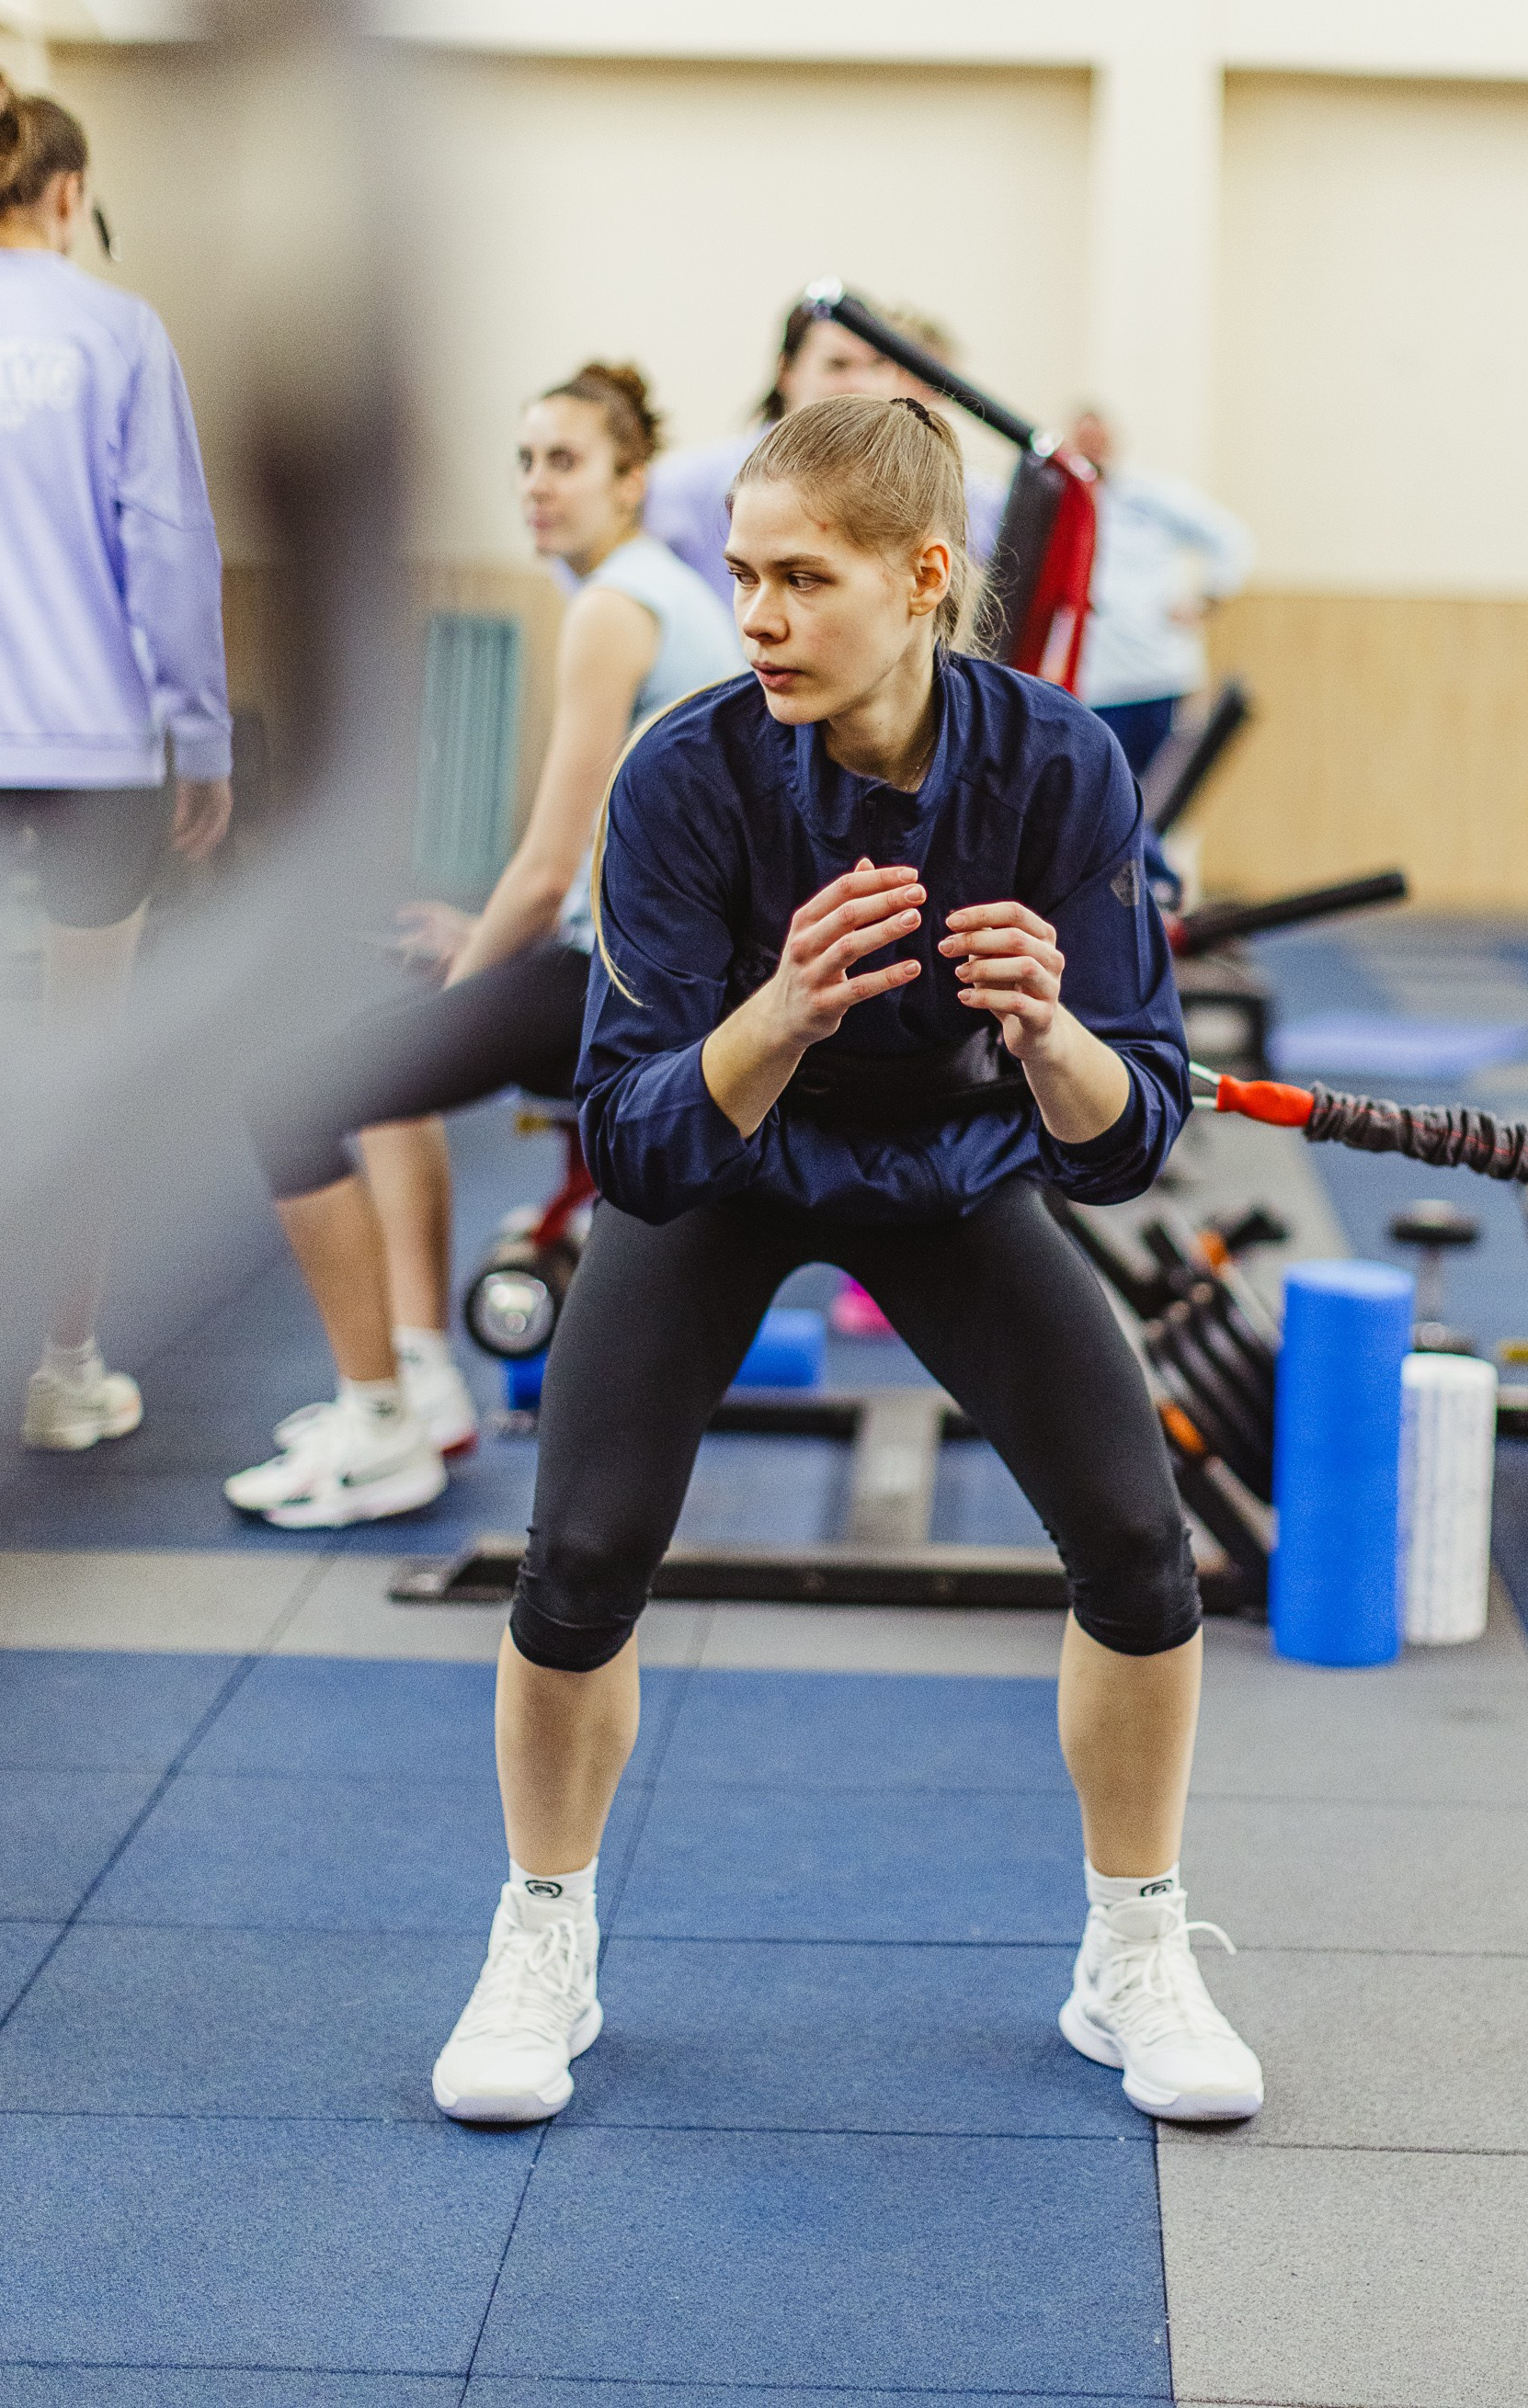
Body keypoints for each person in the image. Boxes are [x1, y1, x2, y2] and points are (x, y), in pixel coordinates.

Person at [430, 393, 1262, 2131]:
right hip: (722, 1173)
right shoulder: (683, 774)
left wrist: (1048, 1035)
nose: (756, 617)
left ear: (924, 578)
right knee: (578, 1557)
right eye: (743, 575)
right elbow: (631, 1140)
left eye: (802, 579)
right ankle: (542, 1937)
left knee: (1137, 1543)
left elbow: (1126, 1136)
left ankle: (1132, 1950)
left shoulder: (1059, 767)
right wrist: (785, 1011)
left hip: (949, 1179)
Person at [227, 364, 742, 1528]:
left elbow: (550, 868)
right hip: (646, 965)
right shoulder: (660, 592)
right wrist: (469, 961)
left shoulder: (616, 608)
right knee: (388, 1054)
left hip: (623, 989)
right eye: (524, 461)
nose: (536, 486)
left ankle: (379, 1425)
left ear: (631, 480)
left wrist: (461, 995)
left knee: (287, 1096)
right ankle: (420, 1381)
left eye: (566, 462)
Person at [0, 64, 232, 1449]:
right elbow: (168, 550)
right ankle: (63, 1373)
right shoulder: (117, 330)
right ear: (67, 195)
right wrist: (205, 738)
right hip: (95, 755)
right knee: (85, 1064)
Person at [645, 291, 1006, 599]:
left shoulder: (936, 485)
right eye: (837, 365)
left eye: (877, 364)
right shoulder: (687, 485)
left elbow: (1012, 524)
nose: (861, 385)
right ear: (787, 372)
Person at [1066, 408, 1254, 778]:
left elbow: (1232, 538)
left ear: (1113, 443)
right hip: (1096, 683)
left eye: (1098, 441)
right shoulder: (1063, 501)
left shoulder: (1150, 496)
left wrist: (1207, 600)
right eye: (1084, 442)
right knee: (1104, 790)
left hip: (1157, 676)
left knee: (1160, 791)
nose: (1092, 450)